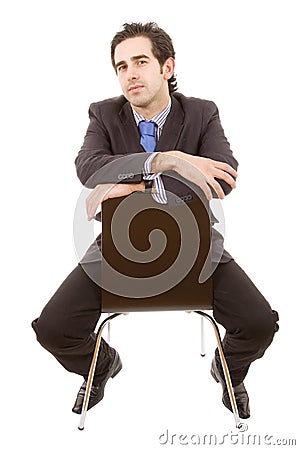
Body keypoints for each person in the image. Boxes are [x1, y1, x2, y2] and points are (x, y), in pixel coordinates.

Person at [32, 22, 279, 420]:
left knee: (259, 324)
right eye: (121, 66)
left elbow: (223, 178)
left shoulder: (201, 113)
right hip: (118, 247)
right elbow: (89, 169)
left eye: (141, 61)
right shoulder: (104, 114)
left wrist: (127, 188)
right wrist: (165, 161)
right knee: (53, 328)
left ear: (167, 67)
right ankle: (101, 364)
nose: (129, 73)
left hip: (195, 245)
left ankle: (227, 369)